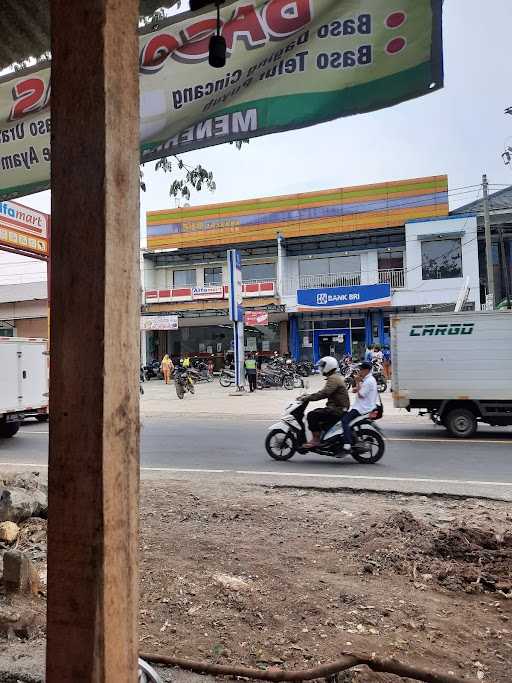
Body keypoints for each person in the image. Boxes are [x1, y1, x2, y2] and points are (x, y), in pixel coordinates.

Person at [302, 356, 350, 449]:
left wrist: (308, 397)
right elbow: (325, 392)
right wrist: (309, 396)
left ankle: (316, 440)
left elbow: (324, 393)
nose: (321, 368)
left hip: (337, 409)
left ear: (328, 366)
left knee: (312, 415)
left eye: (322, 366)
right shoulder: (334, 377)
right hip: (338, 408)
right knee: (318, 413)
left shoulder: (333, 379)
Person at [341, 361, 378, 452]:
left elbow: (361, 394)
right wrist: (357, 386)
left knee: (344, 420)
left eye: (361, 369)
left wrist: (357, 382)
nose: (359, 371)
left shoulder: (369, 381)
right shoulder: (368, 379)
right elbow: (358, 390)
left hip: (362, 408)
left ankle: (347, 443)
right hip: (363, 406)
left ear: (366, 370)